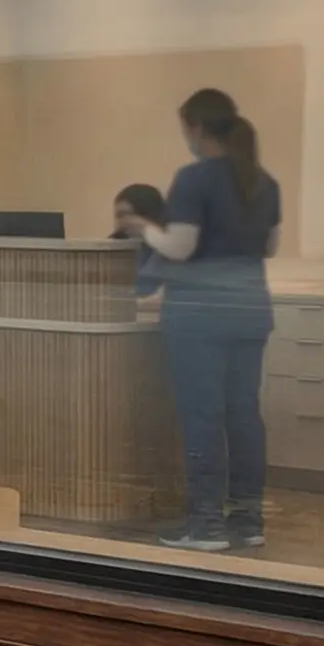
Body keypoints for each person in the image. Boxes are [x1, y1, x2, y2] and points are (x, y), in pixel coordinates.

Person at [121, 88, 282, 553]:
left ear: (194, 128)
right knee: (243, 415)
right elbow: (269, 247)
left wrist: (143, 228)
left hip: (201, 317)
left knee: (203, 417)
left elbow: (180, 248)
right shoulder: (263, 180)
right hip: (251, 310)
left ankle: (205, 525)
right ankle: (248, 520)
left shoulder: (195, 179)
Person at [111, 184, 169, 298]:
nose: (123, 222)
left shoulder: (173, 249)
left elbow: (148, 288)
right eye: (119, 216)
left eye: (128, 215)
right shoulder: (116, 246)